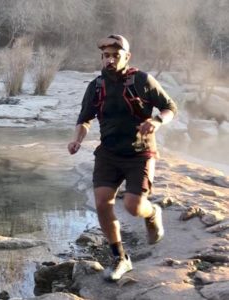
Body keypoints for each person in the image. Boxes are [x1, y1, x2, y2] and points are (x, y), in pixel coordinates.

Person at [68, 34, 177, 281]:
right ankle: (120, 258)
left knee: (133, 206)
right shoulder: (96, 86)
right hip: (108, 153)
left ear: (127, 57)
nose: (110, 60)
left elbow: (171, 107)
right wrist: (77, 140)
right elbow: (84, 119)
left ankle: (152, 213)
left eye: (115, 55)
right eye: (106, 55)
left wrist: (157, 121)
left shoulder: (142, 80)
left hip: (140, 153)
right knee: (102, 203)